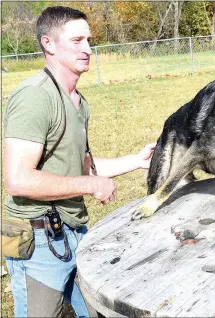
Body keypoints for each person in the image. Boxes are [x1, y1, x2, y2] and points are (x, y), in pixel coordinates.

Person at [3, 6, 155, 317]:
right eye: (76, 41)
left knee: (99, 310)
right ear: (49, 44)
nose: (87, 49)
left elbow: (81, 166)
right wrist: (89, 185)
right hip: (37, 239)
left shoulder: (77, 101)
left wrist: (136, 161)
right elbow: (18, 179)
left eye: (89, 40)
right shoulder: (35, 97)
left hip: (73, 229)